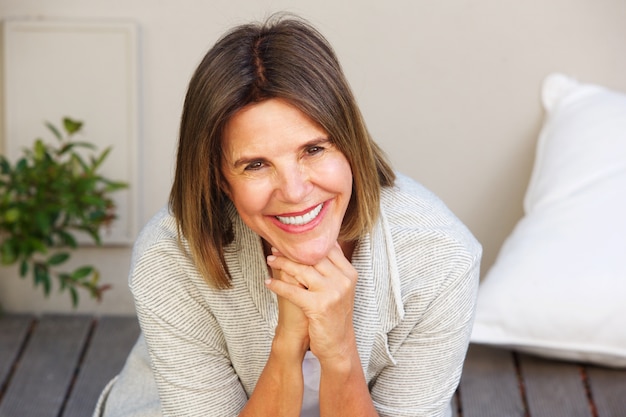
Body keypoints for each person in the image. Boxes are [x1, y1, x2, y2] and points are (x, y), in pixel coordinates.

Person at [94, 14, 481, 417]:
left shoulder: (441, 256)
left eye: (314, 150)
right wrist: (287, 344)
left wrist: (340, 352)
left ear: (351, 146)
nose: (295, 192)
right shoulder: (170, 256)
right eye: (255, 165)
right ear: (220, 180)